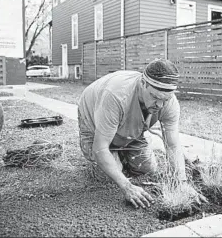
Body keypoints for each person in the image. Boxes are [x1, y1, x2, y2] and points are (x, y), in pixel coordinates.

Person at [77, 58, 206, 209]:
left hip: (131, 130)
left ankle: (121, 153)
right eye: (155, 97)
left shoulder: (168, 102)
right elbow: (100, 148)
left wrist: (181, 182)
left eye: (165, 100)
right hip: (94, 120)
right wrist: (127, 186)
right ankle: (114, 158)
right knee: (109, 175)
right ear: (142, 84)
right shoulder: (116, 96)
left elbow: (172, 144)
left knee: (147, 169)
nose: (160, 105)